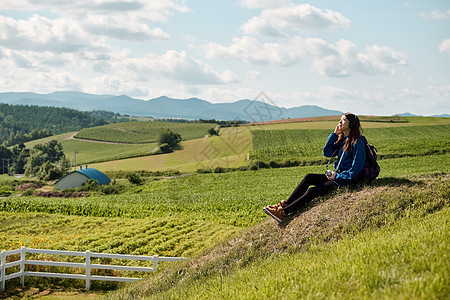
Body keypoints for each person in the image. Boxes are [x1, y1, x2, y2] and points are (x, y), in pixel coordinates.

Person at [263, 113, 367, 223]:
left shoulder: (357, 142)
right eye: (340, 119)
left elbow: (356, 168)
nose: (340, 122)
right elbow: (327, 152)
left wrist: (338, 176)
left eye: (344, 120)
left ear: (351, 124)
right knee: (309, 177)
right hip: (336, 176)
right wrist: (334, 134)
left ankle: (284, 213)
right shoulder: (343, 140)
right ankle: (285, 204)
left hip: (346, 180)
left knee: (313, 191)